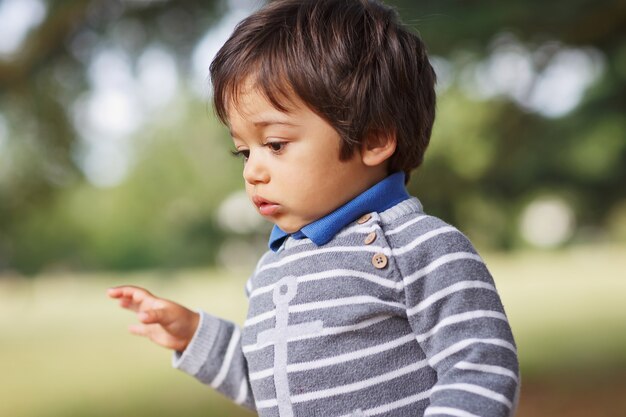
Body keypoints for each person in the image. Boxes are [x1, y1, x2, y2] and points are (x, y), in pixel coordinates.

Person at [107, 1, 520, 416]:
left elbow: (480, 369)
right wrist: (196, 335)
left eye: (275, 145)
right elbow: (275, 383)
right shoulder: (273, 267)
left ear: (373, 139)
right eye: (243, 152)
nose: (252, 171)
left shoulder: (421, 250)